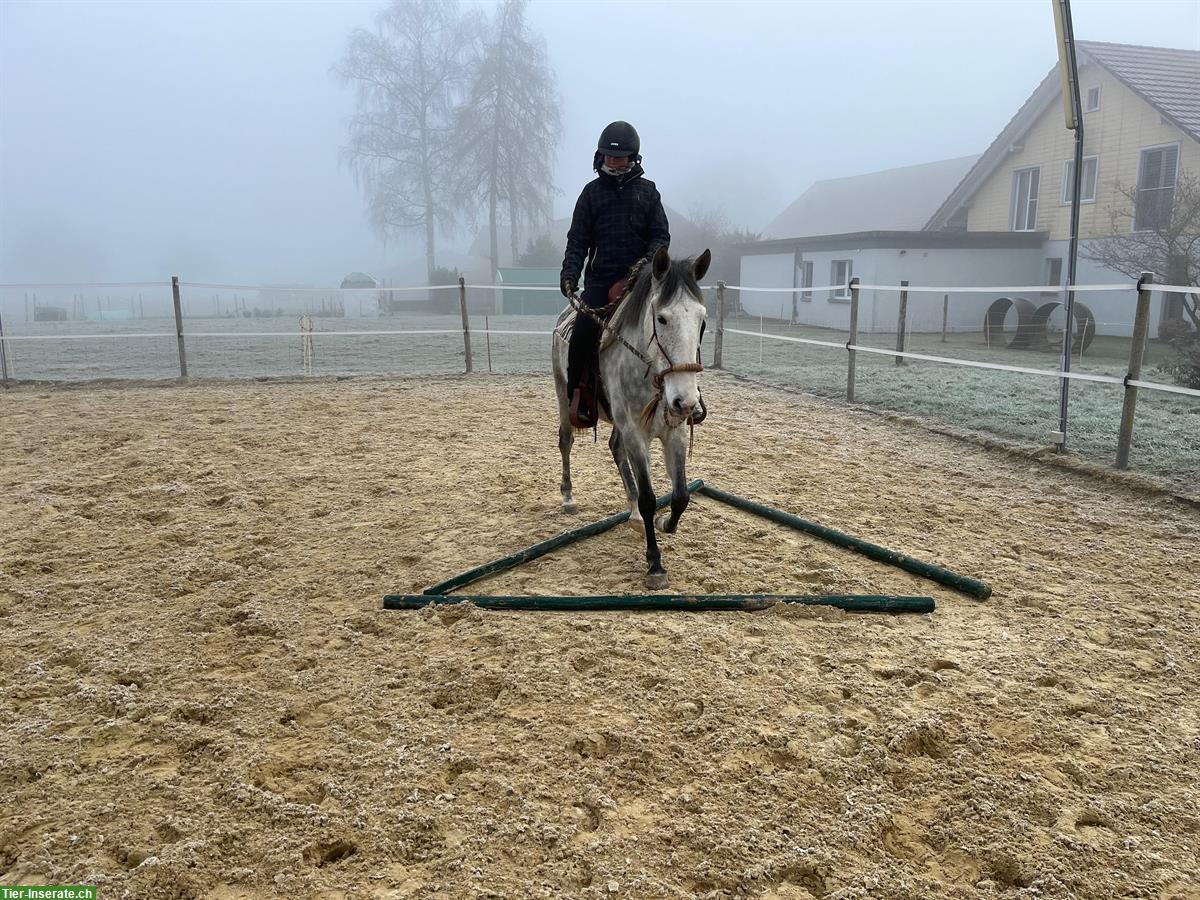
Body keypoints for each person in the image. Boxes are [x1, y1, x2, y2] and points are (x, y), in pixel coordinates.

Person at [560, 120, 670, 428]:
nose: (613, 161)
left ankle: (691, 393)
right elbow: (578, 239)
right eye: (608, 156)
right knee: (582, 332)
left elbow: (660, 236)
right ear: (601, 156)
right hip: (600, 282)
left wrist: (645, 265)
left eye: (619, 157)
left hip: (642, 282)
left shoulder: (648, 193)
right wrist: (569, 273)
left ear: (633, 158)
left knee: (678, 321)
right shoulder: (591, 194)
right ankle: (578, 396)